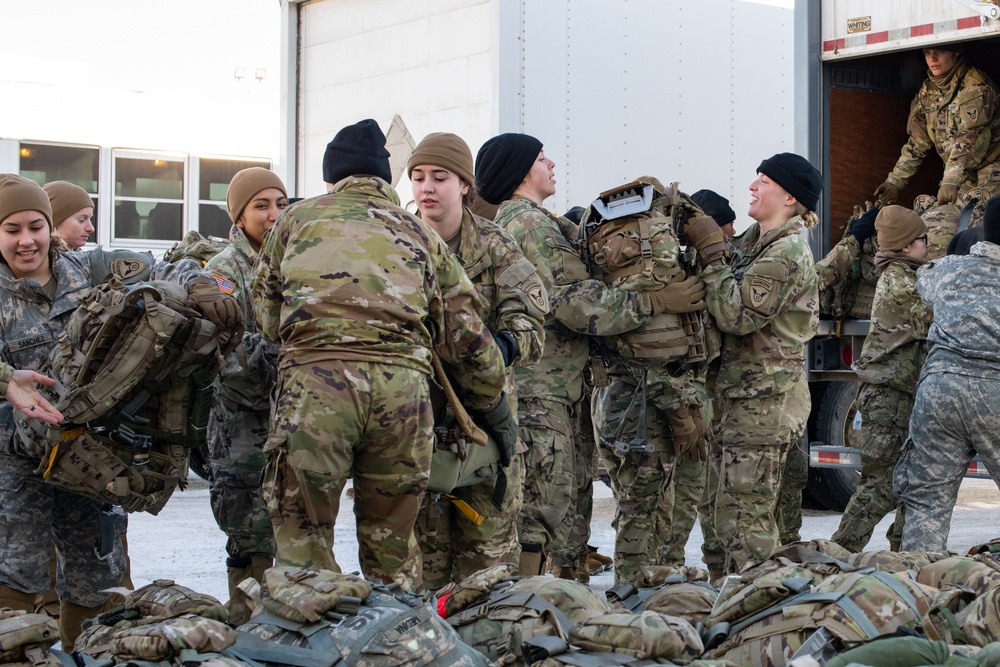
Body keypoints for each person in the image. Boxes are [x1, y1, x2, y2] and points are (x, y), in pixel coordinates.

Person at [252, 119, 511, 591]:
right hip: (403, 397)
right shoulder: (420, 234)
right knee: (392, 546)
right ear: (385, 178)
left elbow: (267, 316)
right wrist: (495, 408)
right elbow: (467, 339)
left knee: (304, 541)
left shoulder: (296, 221)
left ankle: (309, 642)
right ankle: (401, 642)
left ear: (333, 179)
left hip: (316, 391)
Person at [0, 173, 241, 649]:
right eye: (12, 230)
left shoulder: (91, 269)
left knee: (98, 575)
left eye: (35, 226)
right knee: (16, 574)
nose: (27, 241)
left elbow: (166, 269)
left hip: (90, 456)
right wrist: (8, 381)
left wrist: (203, 286)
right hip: (15, 460)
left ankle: (90, 656)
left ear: (49, 226)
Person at [474, 134, 677, 577]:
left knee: (566, 506)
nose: (551, 164)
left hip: (556, 390)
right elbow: (573, 302)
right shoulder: (528, 225)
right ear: (522, 170)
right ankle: (527, 604)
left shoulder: (530, 221)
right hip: (540, 394)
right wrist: (653, 304)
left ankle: (563, 600)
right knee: (543, 511)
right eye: (541, 157)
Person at [406, 132, 547, 590]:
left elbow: (531, 323)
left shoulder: (494, 245)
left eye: (439, 177)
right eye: (418, 176)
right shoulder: (395, 242)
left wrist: (496, 351)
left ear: (465, 185)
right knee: (419, 575)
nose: (427, 187)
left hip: (485, 426)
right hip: (414, 429)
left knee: (487, 574)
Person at [684, 153, 821, 577]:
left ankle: (767, 608)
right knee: (728, 516)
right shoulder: (754, 241)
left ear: (788, 196)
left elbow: (733, 314)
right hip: (737, 399)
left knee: (747, 521)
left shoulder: (787, 251)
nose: (752, 186)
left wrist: (709, 256)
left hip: (763, 403)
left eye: (763, 181)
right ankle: (739, 605)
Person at [204, 167, 287, 623]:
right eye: (261, 205)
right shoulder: (224, 273)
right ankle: (244, 623)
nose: (274, 214)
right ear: (238, 216)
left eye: (280, 203)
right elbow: (224, 355)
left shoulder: (291, 259)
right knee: (247, 528)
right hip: (241, 423)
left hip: (283, 416)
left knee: (284, 525)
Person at [895, 195, 1000, 552]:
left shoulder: (948, 269)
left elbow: (922, 284)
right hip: (996, 396)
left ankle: (918, 593)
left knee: (926, 504)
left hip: (940, 393)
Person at [830, 206, 932, 553]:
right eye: (923, 239)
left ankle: (904, 555)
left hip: (901, 394)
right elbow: (935, 317)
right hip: (889, 398)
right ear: (905, 246)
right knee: (880, 486)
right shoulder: (901, 283)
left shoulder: (906, 275)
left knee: (913, 482)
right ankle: (839, 555)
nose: (928, 244)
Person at [874, 46, 1000, 255]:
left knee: (982, 228)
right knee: (945, 225)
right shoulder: (928, 91)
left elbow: (969, 139)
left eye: (940, 51)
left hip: (991, 169)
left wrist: (951, 180)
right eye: (926, 53)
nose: (932, 58)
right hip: (958, 174)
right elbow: (917, 144)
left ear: (957, 52)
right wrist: (895, 181)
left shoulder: (975, 87)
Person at [42, 181, 94, 250]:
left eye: (90, 220)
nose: (91, 228)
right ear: (54, 222)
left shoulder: (79, 258)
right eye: (81, 220)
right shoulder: (45, 260)